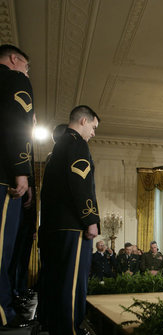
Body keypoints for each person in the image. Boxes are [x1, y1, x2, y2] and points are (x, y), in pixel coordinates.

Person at [39, 105, 100, 334]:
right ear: (83, 121)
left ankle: (55, 325)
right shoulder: (77, 144)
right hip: (74, 226)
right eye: (93, 127)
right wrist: (90, 219)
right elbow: (81, 185)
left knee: (56, 280)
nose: (93, 133)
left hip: (54, 226)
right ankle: (70, 329)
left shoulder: (57, 148)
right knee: (73, 283)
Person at [0, 44, 34, 329]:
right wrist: (21, 171)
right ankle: (2, 311)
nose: (27, 71)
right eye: (26, 66)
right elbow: (16, 124)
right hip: (3, 176)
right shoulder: (15, 79)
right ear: (15, 59)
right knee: (2, 249)